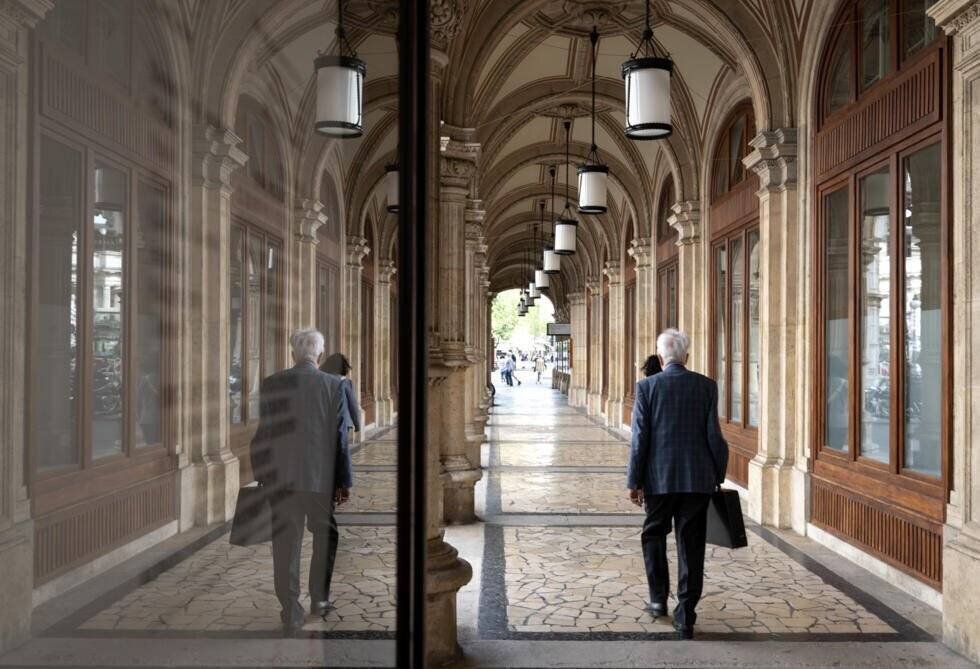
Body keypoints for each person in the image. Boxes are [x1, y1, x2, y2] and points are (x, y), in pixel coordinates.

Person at [626, 329, 728, 640]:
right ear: (686, 357)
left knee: (653, 534)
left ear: (660, 357)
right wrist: (717, 474)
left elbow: (640, 439)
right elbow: (715, 437)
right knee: (691, 543)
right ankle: (686, 614)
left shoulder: (647, 387)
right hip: (697, 480)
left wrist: (635, 480)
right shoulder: (706, 386)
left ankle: (658, 598)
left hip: (658, 479)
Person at [250, 328, 351, 636]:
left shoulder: (271, 383)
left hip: (281, 479)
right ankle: (319, 600)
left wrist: (262, 475)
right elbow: (340, 437)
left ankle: (290, 611)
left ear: (294, 353)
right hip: (320, 479)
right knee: (325, 535)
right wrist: (343, 480)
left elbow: (264, 433)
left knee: (285, 543)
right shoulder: (335, 385)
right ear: (318, 354)